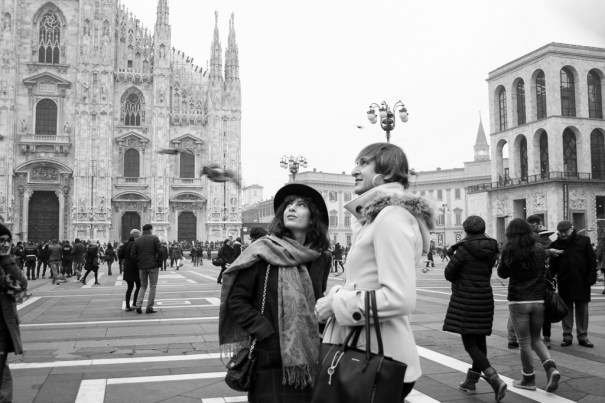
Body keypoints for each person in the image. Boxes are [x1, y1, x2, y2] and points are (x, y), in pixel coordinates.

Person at [315, 142, 434, 400]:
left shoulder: (391, 216)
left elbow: (399, 298)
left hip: (375, 357)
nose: (354, 170)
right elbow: (366, 283)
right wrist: (336, 294)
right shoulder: (376, 219)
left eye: (363, 163)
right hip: (363, 349)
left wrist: (336, 303)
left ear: (387, 173)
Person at [219, 183, 331, 403]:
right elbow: (237, 299)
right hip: (268, 355)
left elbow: (319, 300)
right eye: (288, 205)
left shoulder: (321, 257)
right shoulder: (263, 251)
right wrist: (264, 331)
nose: (291, 208)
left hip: (311, 354)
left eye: (300, 205)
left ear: (312, 217)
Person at [443, 215, 506, 401]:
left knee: (470, 343)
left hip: (466, 299)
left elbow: (449, 274)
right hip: (485, 298)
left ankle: (494, 378)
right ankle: (470, 382)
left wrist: (453, 256)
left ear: (466, 230)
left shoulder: (462, 250)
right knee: (480, 341)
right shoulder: (492, 248)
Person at [498, 218, 560, 392]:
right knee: (536, 338)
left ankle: (528, 379)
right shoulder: (539, 249)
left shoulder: (509, 249)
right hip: (538, 300)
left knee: (524, 342)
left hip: (518, 301)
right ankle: (551, 368)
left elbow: (502, 273)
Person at [549, 220, 597, 347]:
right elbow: (553, 266)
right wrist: (549, 279)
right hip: (565, 281)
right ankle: (567, 336)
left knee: (582, 310)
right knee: (566, 310)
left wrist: (591, 278)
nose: (563, 234)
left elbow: (592, 261)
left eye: (565, 232)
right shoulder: (556, 244)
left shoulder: (584, 241)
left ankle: (583, 336)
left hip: (582, 281)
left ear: (572, 229)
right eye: (561, 232)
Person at [0, 224, 28, 402]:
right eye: (1, 241)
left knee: (3, 374)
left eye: (8, 240)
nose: (5, 244)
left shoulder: (6, 263)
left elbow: (21, 284)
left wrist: (6, 260)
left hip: (4, 325)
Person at [131, 224, 161, 314]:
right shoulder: (154, 238)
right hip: (153, 266)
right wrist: (158, 263)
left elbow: (132, 254)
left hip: (142, 267)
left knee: (143, 286)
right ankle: (149, 307)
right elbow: (159, 251)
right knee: (153, 286)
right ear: (150, 229)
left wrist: (138, 263)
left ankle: (138, 305)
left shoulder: (137, 240)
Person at [119, 229, 141, 312]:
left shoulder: (125, 244)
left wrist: (125, 260)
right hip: (135, 267)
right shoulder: (136, 244)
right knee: (139, 285)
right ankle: (134, 303)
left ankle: (128, 306)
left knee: (130, 287)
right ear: (136, 236)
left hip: (128, 267)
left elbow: (120, 255)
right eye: (138, 236)